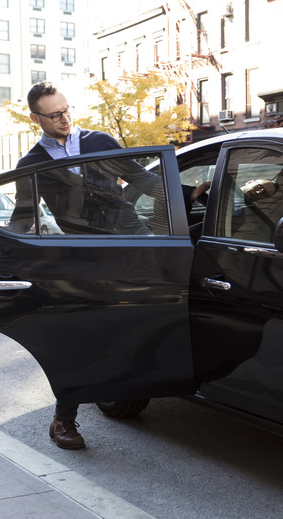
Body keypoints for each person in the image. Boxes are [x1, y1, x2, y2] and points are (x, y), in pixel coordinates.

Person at [17, 81, 208, 449]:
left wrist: (190, 193)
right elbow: (23, 217)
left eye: (67, 109)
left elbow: (143, 180)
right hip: (89, 257)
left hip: (134, 242)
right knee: (87, 335)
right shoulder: (33, 165)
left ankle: (160, 383)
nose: (64, 118)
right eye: (55, 114)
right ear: (35, 117)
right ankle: (64, 419)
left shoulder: (99, 142)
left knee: (153, 320)